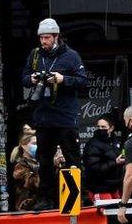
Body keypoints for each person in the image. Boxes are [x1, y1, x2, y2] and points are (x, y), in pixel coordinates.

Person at [20, 18, 88, 210]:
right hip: (43, 116)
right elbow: (23, 78)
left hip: (65, 116)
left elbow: (83, 81)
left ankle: (76, 196)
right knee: (44, 160)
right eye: (41, 38)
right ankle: (46, 198)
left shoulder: (71, 56)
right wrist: (32, 78)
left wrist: (63, 79)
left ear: (56, 36)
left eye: (47, 38)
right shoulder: (35, 55)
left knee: (72, 158)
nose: (44, 41)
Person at [83, 116, 125, 199]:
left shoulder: (115, 142)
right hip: (99, 188)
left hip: (114, 188)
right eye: (98, 127)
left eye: (103, 127)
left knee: (118, 211)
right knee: (105, 211)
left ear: (111, 128)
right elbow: (94, 168)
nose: (100, 129)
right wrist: (115, 163)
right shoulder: (92, 144)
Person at [11, 130, 40, 211]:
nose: (37, 146)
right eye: (34, 144)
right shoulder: (19, 164)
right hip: (25, 207)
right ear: (24, 145)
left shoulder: (39, 161)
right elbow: (33, 183)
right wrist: (47, 171)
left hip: (38, 207)